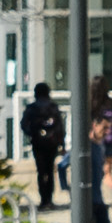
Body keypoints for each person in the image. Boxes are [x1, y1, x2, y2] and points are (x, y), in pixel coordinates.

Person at [20, 81, 66, 210]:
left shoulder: (32, 108)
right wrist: (61, 143)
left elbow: (24, 124)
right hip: (52, 143)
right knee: (50, 171)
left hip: (38, 143)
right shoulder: (53, 107)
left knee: (41, 171)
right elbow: (60, 127)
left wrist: (31, 134)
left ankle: (43, 200)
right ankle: (49, 199)